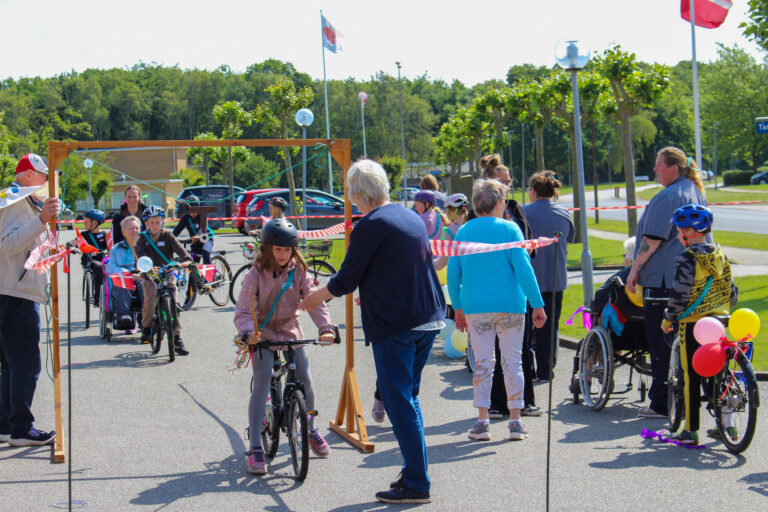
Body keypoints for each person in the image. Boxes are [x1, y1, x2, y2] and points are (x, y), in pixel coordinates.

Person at [299, 159, 444, 505]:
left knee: (400, 403)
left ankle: (417, 482)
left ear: (359, 194)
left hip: (399, 323)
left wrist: (312, 299)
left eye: (351, 193)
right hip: (429, 316)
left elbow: (346, 279)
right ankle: (415, 472)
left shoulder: (370, 225)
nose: (350, 198)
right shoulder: (409, 215)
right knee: (407, 399)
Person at [234, 218, 337, 475]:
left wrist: (326, 328)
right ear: (267, 248)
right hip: (263, 335)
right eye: (277, 249)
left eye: (287, 250)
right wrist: (248, 332)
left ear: (293, 250)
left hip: (291, 332)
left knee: (306, 379)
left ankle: (310, 426)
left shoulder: (299, 271)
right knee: (262, 380)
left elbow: (314, 301)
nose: (282, 255)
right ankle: (256, 445)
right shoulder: (255, 274)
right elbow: (245, 309)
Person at [447, 179, 547, 442]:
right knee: (513, 362)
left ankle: (482, 420)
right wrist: (537, 303)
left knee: (483, 363)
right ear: (500, 203)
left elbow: (453, 272)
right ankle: (515, 421)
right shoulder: (511, 229)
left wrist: (457, 307)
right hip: (511, 306)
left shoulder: (464, 231)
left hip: (476, 307)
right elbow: (524, 269)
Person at [626, 147, 708, 419]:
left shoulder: (667, 196)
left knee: (661, 342)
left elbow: (652, 240)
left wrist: (634, 270)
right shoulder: (694, 190)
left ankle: (662, 402)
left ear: (673, 167)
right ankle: (686, 397)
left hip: (663, 279)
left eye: (659, 165)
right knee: (684, 342)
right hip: (691, 277)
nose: (655, 170)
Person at [661, 205, 738, 445]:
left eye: (678, 231)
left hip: (693, 324)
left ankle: (691, 430)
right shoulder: (720, 254)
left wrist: (668, 318)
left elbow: (680, 294)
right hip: (718, 321)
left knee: (691, 376)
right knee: (719, 372)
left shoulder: (687, 258)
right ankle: (729, 428)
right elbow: (732, 292)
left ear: (690, 232)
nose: (677, 236)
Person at [472, 154, 541, 417]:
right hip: (486, 289)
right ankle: (496, 405)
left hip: (514, 290)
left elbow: (527, 243)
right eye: (502, 182)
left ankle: (524, 402)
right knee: (490, 355)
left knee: (518, 351)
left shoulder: (515, 208)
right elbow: (467, 251)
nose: (508, 187)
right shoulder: (475, 213)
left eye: (509, 182)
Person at [0, 153, 59, 447]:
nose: (46, 180)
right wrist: (40, 220)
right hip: (15, 294)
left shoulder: (15, 200)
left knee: (12, 364)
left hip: (12, 291)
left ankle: (7, 424)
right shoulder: (14, 202)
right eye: (41, 174)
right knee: (25, 364)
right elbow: (9, 244)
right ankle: (21, 428)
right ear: (26, 175)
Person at [523, 170, 575, 381]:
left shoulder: (523, 213)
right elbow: (570, 238)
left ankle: (527, 368)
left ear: (533, 190)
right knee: (550, 326)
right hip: (555, 278)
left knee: (526, 327)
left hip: (529, 279)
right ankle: (546, 369)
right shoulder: (564, 213)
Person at [135, 206, 192, 354]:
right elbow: (139, 255)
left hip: (167, 273)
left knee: (174, 304)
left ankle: (177, 339)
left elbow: (181, 250)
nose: (155, 225)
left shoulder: (168, 236)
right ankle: (146, 329)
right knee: (150, 300)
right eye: (152, 222)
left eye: (158, 222)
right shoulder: (143, 238)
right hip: (150, 276)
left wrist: (186, 260)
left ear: (162, 222)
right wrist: (142, 268)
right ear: (146, 224)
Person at [105, 216, 144, 329]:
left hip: (142, 276)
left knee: (146, 286)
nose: (134, 231)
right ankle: (124, 315)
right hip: (124, 277)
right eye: (131, 228)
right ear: (123, 232)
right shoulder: (116, 249)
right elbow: (111, 267)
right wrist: (127, 274)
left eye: (136, 228)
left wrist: (141, 275)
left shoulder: (146, 247)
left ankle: (146, 316)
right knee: (121, 284)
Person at [172, 195, 215, 264]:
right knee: (192, 261)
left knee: (205, 252)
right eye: (190, 209)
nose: (192, 212)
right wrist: (170, 237)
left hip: (206, 239)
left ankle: (209, 274)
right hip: (195, 243)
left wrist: (198, 235)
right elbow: (177, 229)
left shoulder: (202, 214)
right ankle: (193, 275)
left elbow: (203, 228)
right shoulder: (186, 217)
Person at [80, 208, 110, 306]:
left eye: (86, 221)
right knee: (99, 267)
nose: (84, 223)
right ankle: (98, 297)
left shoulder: (104, 235)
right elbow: (75, 243)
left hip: (103, 260)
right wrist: (68, 246)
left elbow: (110, 248)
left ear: (94, 223)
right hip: (90, 261)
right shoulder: (84, 235)